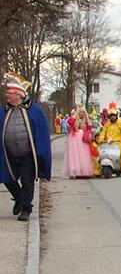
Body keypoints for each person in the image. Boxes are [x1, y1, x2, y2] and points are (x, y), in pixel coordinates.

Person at [1, 73, 52, 221]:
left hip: (28, 154)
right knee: (6, 178)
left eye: (10, 93)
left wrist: (41, 154)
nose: (7, 96)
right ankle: (19, 198)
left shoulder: (35, 110)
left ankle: (26, 208)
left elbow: (42, 134)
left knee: (27, 181)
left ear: (18, 94)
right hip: (8, 154)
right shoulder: (3, 111)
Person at [97, 103, 121, 177]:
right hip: (108, 143)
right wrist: (101, 139)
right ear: (109, 116)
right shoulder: (107, 124)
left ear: (116, 116)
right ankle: (98, 171)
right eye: (111, 116)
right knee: (100, 154)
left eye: (114, 115)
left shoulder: (120, 123)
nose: (113, 117)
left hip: (119, 143)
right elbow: (103, 132)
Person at [62, 106, 94, 179]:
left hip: (83, 139)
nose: (82, 114)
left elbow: (90, 126)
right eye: (81, 112)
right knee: (75, 155)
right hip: (74, 139)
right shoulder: (74, 119)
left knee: (83, 155)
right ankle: (75, 171)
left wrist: (86, 113)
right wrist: (76, 112)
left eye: (83, 112)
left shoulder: (85, 120)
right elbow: (70, 122)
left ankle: (83, 170)